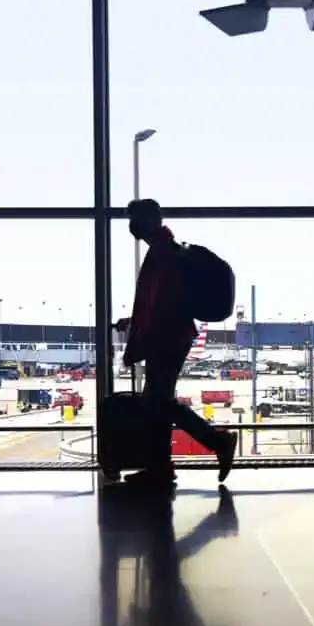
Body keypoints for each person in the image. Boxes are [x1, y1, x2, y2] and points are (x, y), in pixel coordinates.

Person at [118, 198, 236, 487]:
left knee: (159, 401)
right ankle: (161, 465)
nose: (132, 224)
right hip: (169, 334)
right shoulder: (167, 250)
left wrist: (140, 329)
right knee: (157, 402)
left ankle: (217, 441)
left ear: (152, 219)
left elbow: (161, 304)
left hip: (167, 337)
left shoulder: (165, 254)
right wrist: (134, 323)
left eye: (136, 217)